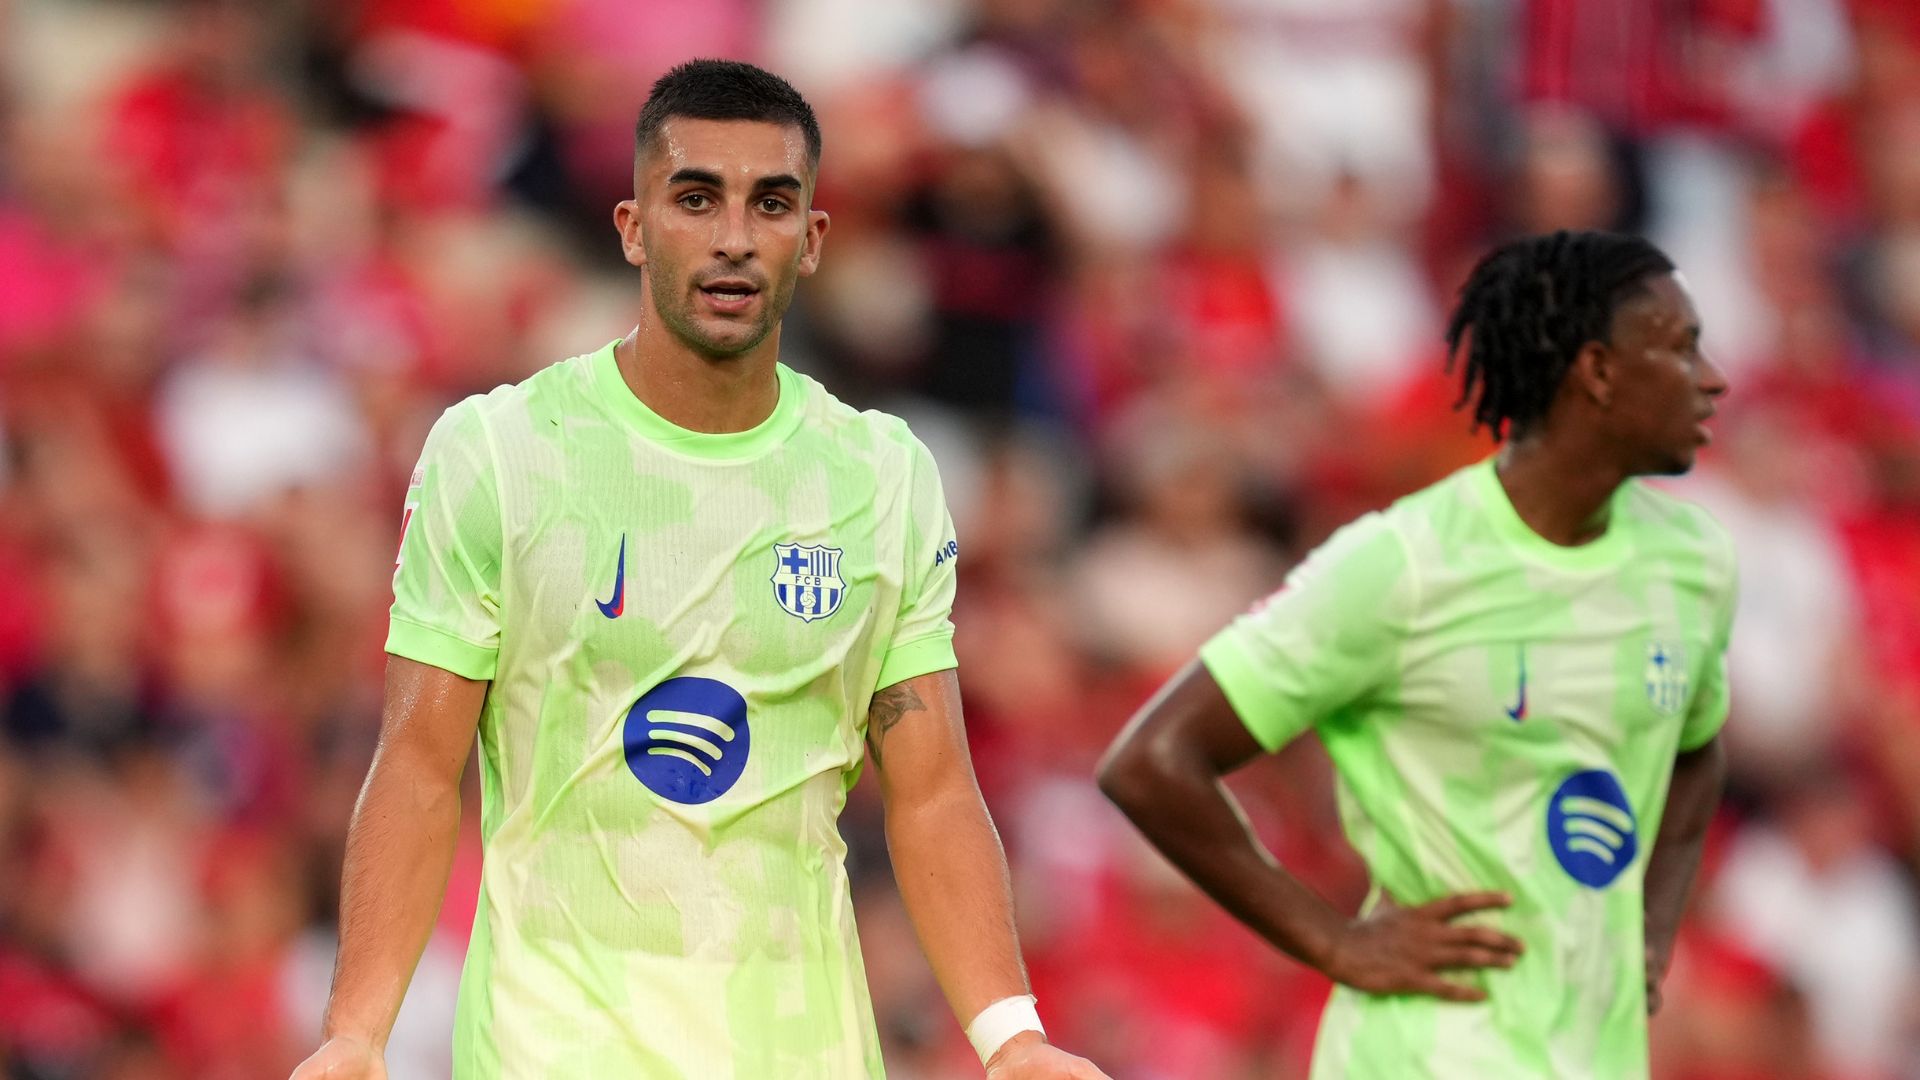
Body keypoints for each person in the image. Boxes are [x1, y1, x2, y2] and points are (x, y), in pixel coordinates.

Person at [290, 60, 1106, 1080]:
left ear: (810, 243)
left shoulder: (881, 476)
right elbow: (417, 762)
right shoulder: (498, 451)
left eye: (770, 204)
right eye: (695, 197)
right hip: (555, 1049)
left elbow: (932, 790)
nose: (732, 237)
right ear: (633, 228)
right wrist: (357, 1034)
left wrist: (1010, 1037)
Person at [1097, 230, 1735, 1078]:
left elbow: (1697, 751)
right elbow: (1152, 760)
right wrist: (1336, 941)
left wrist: (1650, 933)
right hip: (1429, 1054)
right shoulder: (1402, 565)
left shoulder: (1693, 562)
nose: (1714, 377)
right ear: (1599, 370)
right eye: (1683, 348)